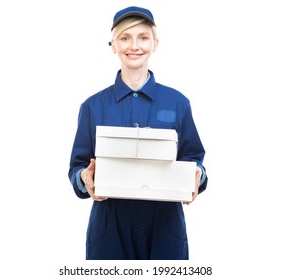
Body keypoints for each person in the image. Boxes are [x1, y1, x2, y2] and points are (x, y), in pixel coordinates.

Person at [68, 6, 208, 260]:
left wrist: (198, 174)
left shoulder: (178, 103)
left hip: (165, 230)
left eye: (143, 37)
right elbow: (77, 169)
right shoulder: (92, 106)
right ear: (113, 45)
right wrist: (84, 178)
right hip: (110, 231)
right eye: (125, 37)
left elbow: (194, 159)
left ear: (155, 43)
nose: (135, 46)